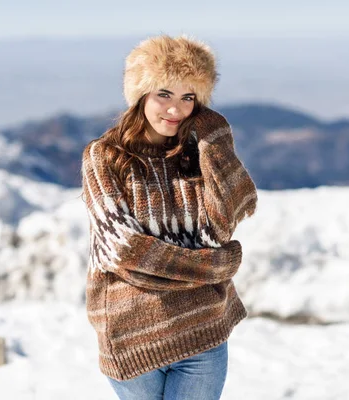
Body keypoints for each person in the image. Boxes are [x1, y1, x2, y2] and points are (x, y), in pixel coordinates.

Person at [81, 34, 258, 400]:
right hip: (133, 340)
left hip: (203, 336)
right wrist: (216, 267)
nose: (175, 109)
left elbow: (218, 229)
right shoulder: (104, 157)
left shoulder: (198, 157)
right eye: (164, 93)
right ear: (141, 95)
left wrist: (215, 136)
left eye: (188, 97)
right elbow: (124, 250)